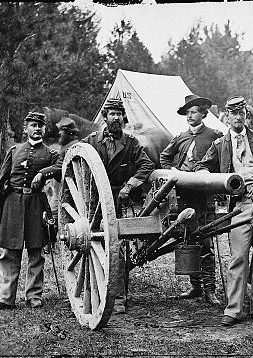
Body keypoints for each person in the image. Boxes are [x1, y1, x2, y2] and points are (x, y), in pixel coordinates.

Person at [194, 96, 253, 325]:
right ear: (227, 116)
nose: (238, 117)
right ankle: (233, 309)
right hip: (239, 206)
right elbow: (202, 166)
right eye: (233, 114)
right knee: (238, 256)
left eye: (241, 113)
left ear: (246, 115)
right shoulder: (220, 145)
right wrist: (212, 180)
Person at [81, 98, 155, 314]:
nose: (115, 117)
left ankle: (118, 297)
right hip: (95, 203)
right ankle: (94, 292)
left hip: (119, 200)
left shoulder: (131, 143)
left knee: (118, 248)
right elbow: (80, 161)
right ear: (104, 117)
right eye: (111, 113)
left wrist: (129, 186)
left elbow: (146, 165)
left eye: (119, 114)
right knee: (94, 247)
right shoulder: (92, 142)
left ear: (124, 118)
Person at [0, 112, 63, 312]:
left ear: (45, 130)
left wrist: (42, 173)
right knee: (9, 253)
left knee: (36, 252)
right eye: (33, 125)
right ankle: (5, 298)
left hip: (36, 204)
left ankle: (34, 296)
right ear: (25, 128)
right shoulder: (14, 151)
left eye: (40, 126)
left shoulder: (51, 153)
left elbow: (62, 166)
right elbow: (1, 181)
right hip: (13, 204)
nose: (37, 129)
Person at [160, 94, 223, 306]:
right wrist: (173, 172)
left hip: (204, 196)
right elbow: (164, 158)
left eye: (193, 112)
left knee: (206, 241)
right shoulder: (180, 138)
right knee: (188, 238)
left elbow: (222, 161)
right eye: (187, 113)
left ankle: (210, 290)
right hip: (185, 195)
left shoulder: (215, 136)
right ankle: (195, 286)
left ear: (204, 114)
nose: (190, 116)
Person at [45, 117, 79, 227]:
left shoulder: (72, 148)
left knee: (53, 216)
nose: (59, 133)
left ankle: (54, 242)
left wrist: (42, 173)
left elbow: (60, 167)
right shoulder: (65, 147)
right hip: (59, 189)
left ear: (70, 133)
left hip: (67, 193)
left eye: (62, 131)